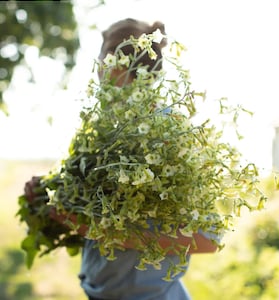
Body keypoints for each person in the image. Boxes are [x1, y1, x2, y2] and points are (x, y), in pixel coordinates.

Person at [24, 18, 220, 300]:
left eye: (101, 57)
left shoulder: (170, 133)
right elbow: (96, 214)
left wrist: (101, 232)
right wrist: (49, 193)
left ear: (117, 61)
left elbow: (208, 239)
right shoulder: (100, 131)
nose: (97, 70)